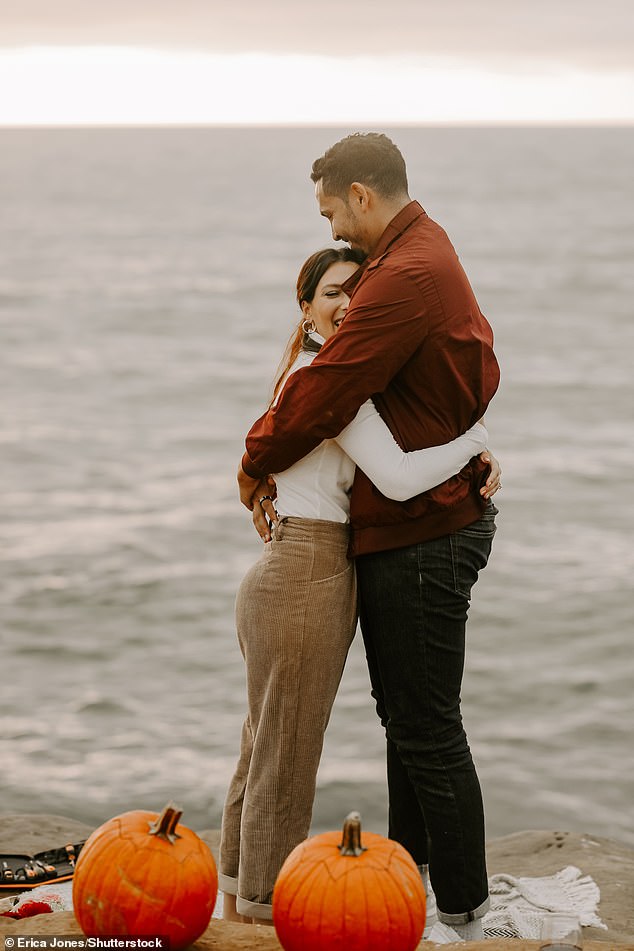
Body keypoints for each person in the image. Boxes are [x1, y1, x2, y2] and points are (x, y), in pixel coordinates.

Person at [237, 133, 500, 941]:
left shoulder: (406, 273)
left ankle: (453, 904)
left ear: (360, 194)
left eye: (332, 213)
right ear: (306, 307)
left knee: (411, 725)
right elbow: (368, 414)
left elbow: (345, 402)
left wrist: (252, 460)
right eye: (331, 293)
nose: (346, 289)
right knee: (357, 730)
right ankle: (399, 890)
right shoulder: (414, 261)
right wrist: (475, 445)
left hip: (407, 535)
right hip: (344, 547)